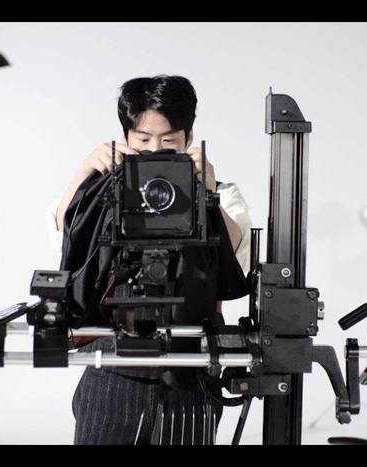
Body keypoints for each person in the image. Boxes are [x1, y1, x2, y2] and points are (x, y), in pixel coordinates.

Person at [45, 75, 252, 444]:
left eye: (168, 141)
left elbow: (235, 252)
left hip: (191, 365)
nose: (155, 149)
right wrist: (85, 172)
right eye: (143, 141)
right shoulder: (107, 189)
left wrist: (206, 193)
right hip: (114, 365)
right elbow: (65, 231)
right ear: (125, 137)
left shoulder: (219, 191)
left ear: (189, 137)